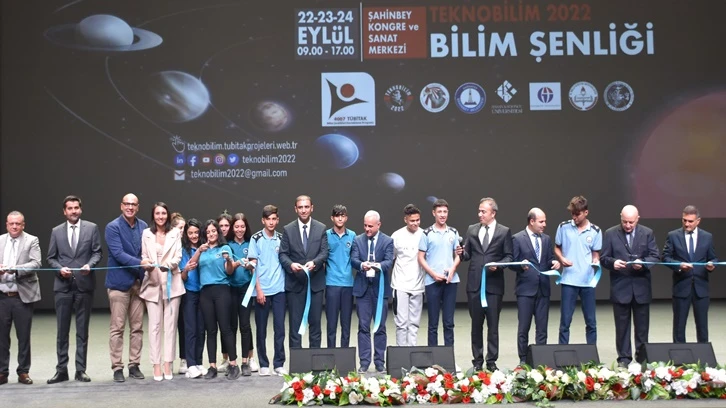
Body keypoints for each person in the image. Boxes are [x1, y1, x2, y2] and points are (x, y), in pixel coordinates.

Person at [47, 195, 103, 383]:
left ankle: (81, 370)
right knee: (62, 332)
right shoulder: (56, 231)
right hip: (63, 287)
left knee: (82, 331)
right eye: (70, 208)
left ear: (81, 209)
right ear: (64, 211)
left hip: (84, 285)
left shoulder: (92, 228)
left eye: (76, 207)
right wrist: (59, 269)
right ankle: (61, 370)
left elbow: (97, 252)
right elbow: (51, 258)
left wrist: (90, 265)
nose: (73, 211)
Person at [600, 205, 659, 366]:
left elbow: (655, 256)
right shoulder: (611, 233)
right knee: (622, 327)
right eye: (625, 221)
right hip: (621, 287)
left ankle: (642, 358)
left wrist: (643, 263)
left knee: (642, 328)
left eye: (631, 222)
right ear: (621, 217)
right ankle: (624, 358)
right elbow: (604, 258)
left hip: (641, 287)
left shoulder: (647, 233)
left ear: (637, 219)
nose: (627, 225)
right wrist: (613, 263)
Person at [459, 197, 512, 371]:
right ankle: (477, 361)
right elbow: (467, 255)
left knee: (493, 326)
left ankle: (491, 361)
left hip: (494, 286)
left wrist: (499, 265)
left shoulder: (504, 231)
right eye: (479, 211)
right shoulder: (472, 229)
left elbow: (509, 256)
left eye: (483, 211)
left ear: (493, 213)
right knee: (476, 326)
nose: (480, 214)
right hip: (474, 284)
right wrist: (461, 253)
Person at [104, 193, 147, 382]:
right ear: (121, 206)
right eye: (127, 204)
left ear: (138, 207)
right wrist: (141, 263)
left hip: (138, 284)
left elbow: (146, 251)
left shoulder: (143, 226)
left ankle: (134, 365)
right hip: (119, 285)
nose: (130, 207)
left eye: (133, 204)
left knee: (137, 327)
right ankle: (117, 367)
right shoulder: (112, 227)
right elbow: (118, 254)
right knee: (117, 328)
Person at [139, 202, 184, 381]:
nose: (160, 217)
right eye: (157, 213)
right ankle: (156, 365)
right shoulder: (146, 233)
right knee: (154, 326)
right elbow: (144, 256)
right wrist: (146, 263)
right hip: (152, 283)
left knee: (170, 326)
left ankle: (168, 363)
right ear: (153, 215)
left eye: (163, 213)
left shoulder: (175, 233)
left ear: (168, 215)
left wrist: (169, 265)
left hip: (172, 283)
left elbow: (178, 256)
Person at [511, 208, 560, 366]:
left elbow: (549, 259)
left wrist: (554, 263)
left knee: (542, 328)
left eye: (545, 221)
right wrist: (520, 266)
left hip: (543, 289)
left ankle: (541, 359)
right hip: (525, 290)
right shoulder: (518, 238)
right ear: (531, 221)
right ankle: (523, 360)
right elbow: (512, 263)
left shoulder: (546, 239)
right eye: (541, 221)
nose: (544, 224)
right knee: (523, 328)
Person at [191, 219, 239, 379]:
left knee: (225, 328)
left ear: (218, 233)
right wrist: (199, 251)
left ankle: (233, 364)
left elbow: (229, 271)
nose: (211, 234)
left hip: (222, 290)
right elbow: (191, 265)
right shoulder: (202, 249)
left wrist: (229, 260)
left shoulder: (225, 248)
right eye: (208, 232)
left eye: (213, 231)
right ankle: (212, 366)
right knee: (210, 330)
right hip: (205, 292)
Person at [662, 205, 717, 343]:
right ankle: (679, 355)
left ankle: (703, 355)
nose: (687, 224)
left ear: (698, 221)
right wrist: (679, 265)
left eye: (690, 221)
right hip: (681, 287)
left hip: (701, 289)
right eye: (684, 220)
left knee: (702, 327)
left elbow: (713, 258)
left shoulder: (707, 237)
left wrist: (711, 265)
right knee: (679, 327)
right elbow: (665, 258)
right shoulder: (673, 236)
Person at [279, 195, 329, 349]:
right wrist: (291, 265)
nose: (303, 210)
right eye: (300, 207)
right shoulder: (288, 229)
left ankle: (315, 361)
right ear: (295, 209)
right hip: (295, 285)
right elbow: (283, 254)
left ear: (312, 208)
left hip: (315, 285)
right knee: (295, 328)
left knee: (315, 327)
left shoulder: (321, 228)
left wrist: (315, 262)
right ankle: (297, 362)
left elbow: (324, 252)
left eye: (306, 207)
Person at [0, 211, 42, 385]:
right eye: (11, 223)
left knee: (23, 336)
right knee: (1, 337)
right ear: (6, 224)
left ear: (23, 225)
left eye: (18, 223)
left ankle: (23, 371)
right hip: (2, 296)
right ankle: (2, 372)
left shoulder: (31, 240)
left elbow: (36, 263)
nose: (14, 226)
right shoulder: (0, 240)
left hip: (21, 295)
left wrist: (14, 268)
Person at [555, 195, 602, 346]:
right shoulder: (563, 227)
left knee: (591, 322)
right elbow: (557, 247)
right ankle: (562, 352)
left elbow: (595, 253)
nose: (574, 217)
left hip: (588, 282)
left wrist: (596, 261)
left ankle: (591, 353)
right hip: (568, 281)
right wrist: (561, 258)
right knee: (565, 322)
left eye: (577, 214)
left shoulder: (595, 231)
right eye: (572, 214)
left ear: (586, 212)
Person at [351, 210, 394, 374]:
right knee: (363, 326)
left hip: (379, 289)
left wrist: (377, 266)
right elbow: (354, 260)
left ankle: (379, 362)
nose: (367, 229)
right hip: (363, 290)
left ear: (378, 225)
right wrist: (362, 265)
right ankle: (364, 362)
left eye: (370, 226)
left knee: (380, 327)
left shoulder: (387, 241)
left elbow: (389, 261)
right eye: (365, 226)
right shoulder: (357, 240)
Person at [248, 205, 286, 376]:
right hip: (262, 290)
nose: (271, 222)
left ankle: (279, 363)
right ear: (263, 220)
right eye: (268, 219)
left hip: (279, 289)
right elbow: (252, 266)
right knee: (261, 329)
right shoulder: (255, 239)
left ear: (277, 220)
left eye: (274, 219)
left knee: (280, 328)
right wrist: (258, 289)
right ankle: (263, 363)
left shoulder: (282, 238)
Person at [418, 199, 460, 348]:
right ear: (433, 213)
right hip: (432, 282)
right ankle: (433, 356)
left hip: (450, 281)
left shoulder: (453, 232)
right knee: (433, 323)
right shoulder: (427, 233)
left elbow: (458, 255)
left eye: (445, 212)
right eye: (439, 212)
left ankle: (449, 355)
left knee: (449, 322)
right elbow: (420, 257)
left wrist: (453, 268)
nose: (442, 215)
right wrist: (433, 274)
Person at [390, 204, 424, 347]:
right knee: (401, 323)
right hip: (400, 285)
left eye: (417, 220)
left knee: (414, 324)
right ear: (405, 220)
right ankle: (401, 354)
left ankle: (412, 353)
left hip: (418, 285)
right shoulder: (396, 236)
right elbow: (391, 258)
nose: (415, 223)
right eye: (412, 220)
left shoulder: (424, 235)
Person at [228, 212, 256, 376]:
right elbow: (227, 268)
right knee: (231, 326)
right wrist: (237, 263)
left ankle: (245, 361)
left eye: (242, 226)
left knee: (245, 325)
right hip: (231, 289)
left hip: (246, 288)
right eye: (237, 226)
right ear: (233, 228)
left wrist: (251, 265)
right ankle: (232, 362)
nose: (240, 230)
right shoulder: (228, 245)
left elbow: (255, 263)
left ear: (246, 228)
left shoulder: (250, 243)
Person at [324, 205, 356, 348]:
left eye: (343, 215)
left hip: (348, 284)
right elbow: (322, 258)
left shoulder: (352, 235)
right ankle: (331, 354)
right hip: (331, 283)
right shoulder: (326, 235)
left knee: (346, 324)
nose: (340, 218)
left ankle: (345, 355)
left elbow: (355, 258)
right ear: (332, 218)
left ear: (346, 218)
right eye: (337, 216)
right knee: (331, 324)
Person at [179, 219, 207, 379]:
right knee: (190, 329)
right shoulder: (184, 250)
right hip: (189, 293)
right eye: (190, 233)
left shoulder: (205, 248)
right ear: (186, 234)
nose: (194, 235)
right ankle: (190, 364)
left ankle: (198, 362)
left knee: (201, 329)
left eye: (196, 232)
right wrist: (186, 269)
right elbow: (182, 276)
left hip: (203, 292)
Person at [216, 211, 235, 372]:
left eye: (227, 225)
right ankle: (225, 358)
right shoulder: (215, 245)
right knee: (224, 325)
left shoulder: (234, 243)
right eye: (221, 225)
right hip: (222, 290)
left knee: (240, 325)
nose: (224, 228)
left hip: (237, 289)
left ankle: (247, 358)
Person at [170, 213, 187, 375]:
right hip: (170, 289)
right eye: (180, 228)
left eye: (183, 228)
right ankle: (167, 361)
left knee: (183, 325)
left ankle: (184, 358)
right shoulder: (168, 243)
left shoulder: (186, 245)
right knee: (169, 327)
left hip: (185, 290)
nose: (182, 231)